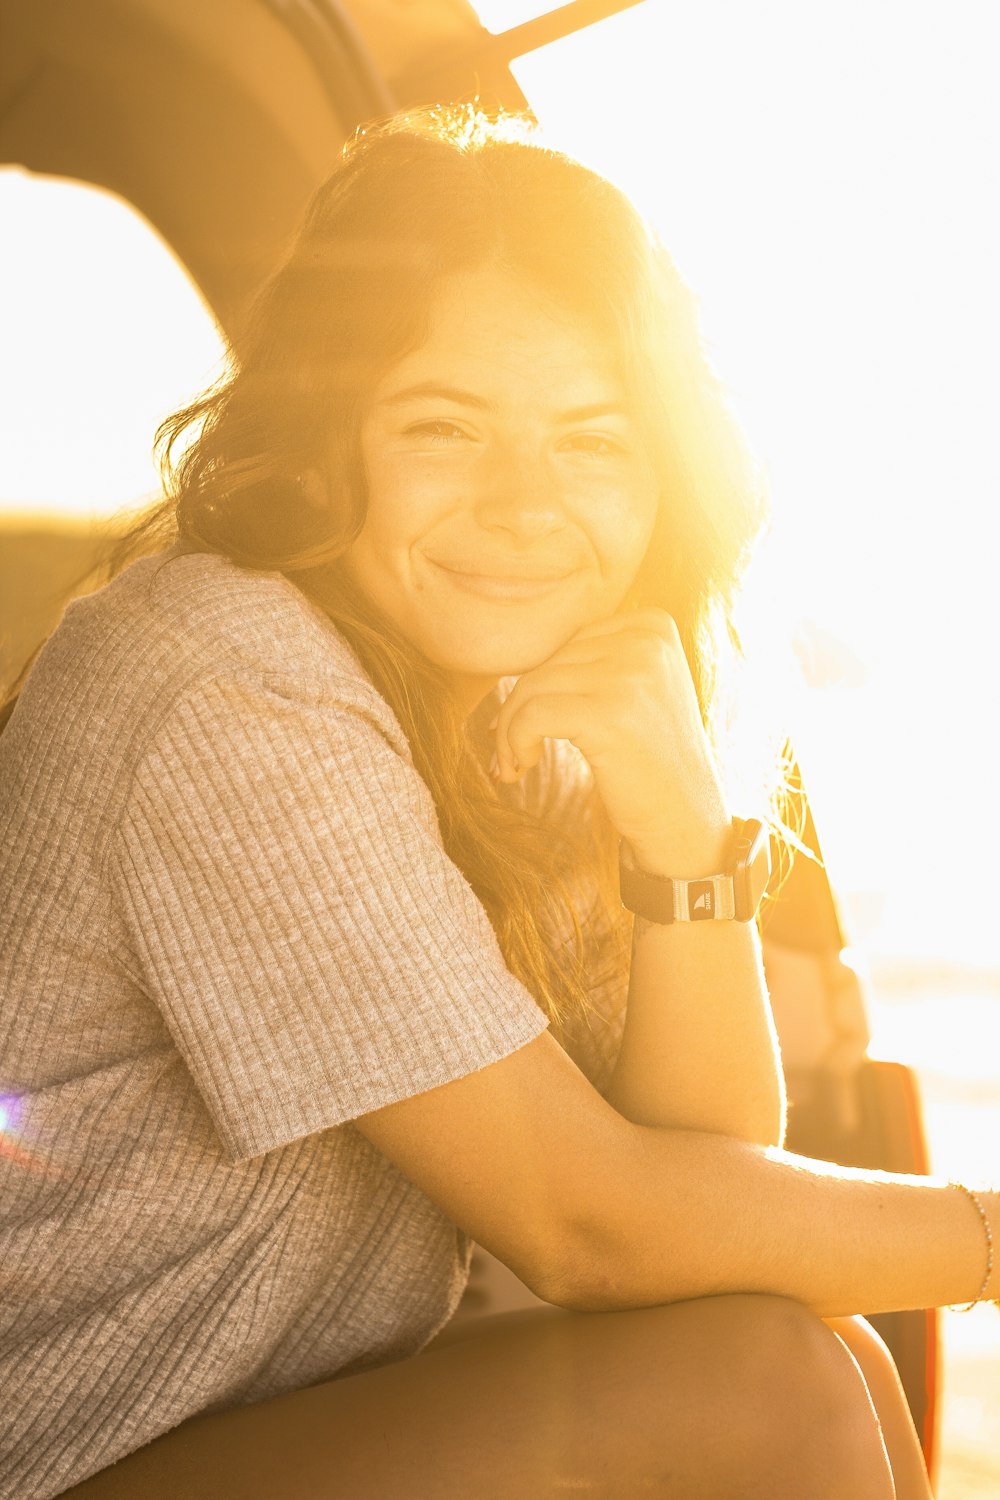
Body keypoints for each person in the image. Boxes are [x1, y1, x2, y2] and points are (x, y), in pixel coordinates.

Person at [0, 105, 994, 1500]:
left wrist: (680, 848)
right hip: (49, 1452)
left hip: (216, 1437)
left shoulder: (524, 714)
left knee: (821, 1364)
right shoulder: (224, 677)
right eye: (445, 428)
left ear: (667, 481)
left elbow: (702, 1199)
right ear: (326, 442)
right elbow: (592, 1230)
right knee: (773, 1393)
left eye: (592, 442)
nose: (526, 506)